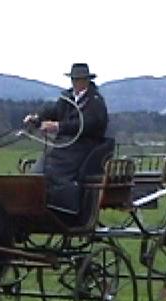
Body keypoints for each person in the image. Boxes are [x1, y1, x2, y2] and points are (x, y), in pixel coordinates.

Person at [23, 63, 109, 214]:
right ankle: (37, 203)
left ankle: (64, 208)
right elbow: (53, 110)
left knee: (54, 169)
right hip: (63, 147)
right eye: (74, 80)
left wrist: (58, 127)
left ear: (87, 81)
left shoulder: (95, 101)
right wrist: (37, 119)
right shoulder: (67, 98)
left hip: (84, 147)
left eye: (79, 80)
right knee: (41, 167)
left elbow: (89, 124)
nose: (76, 83)